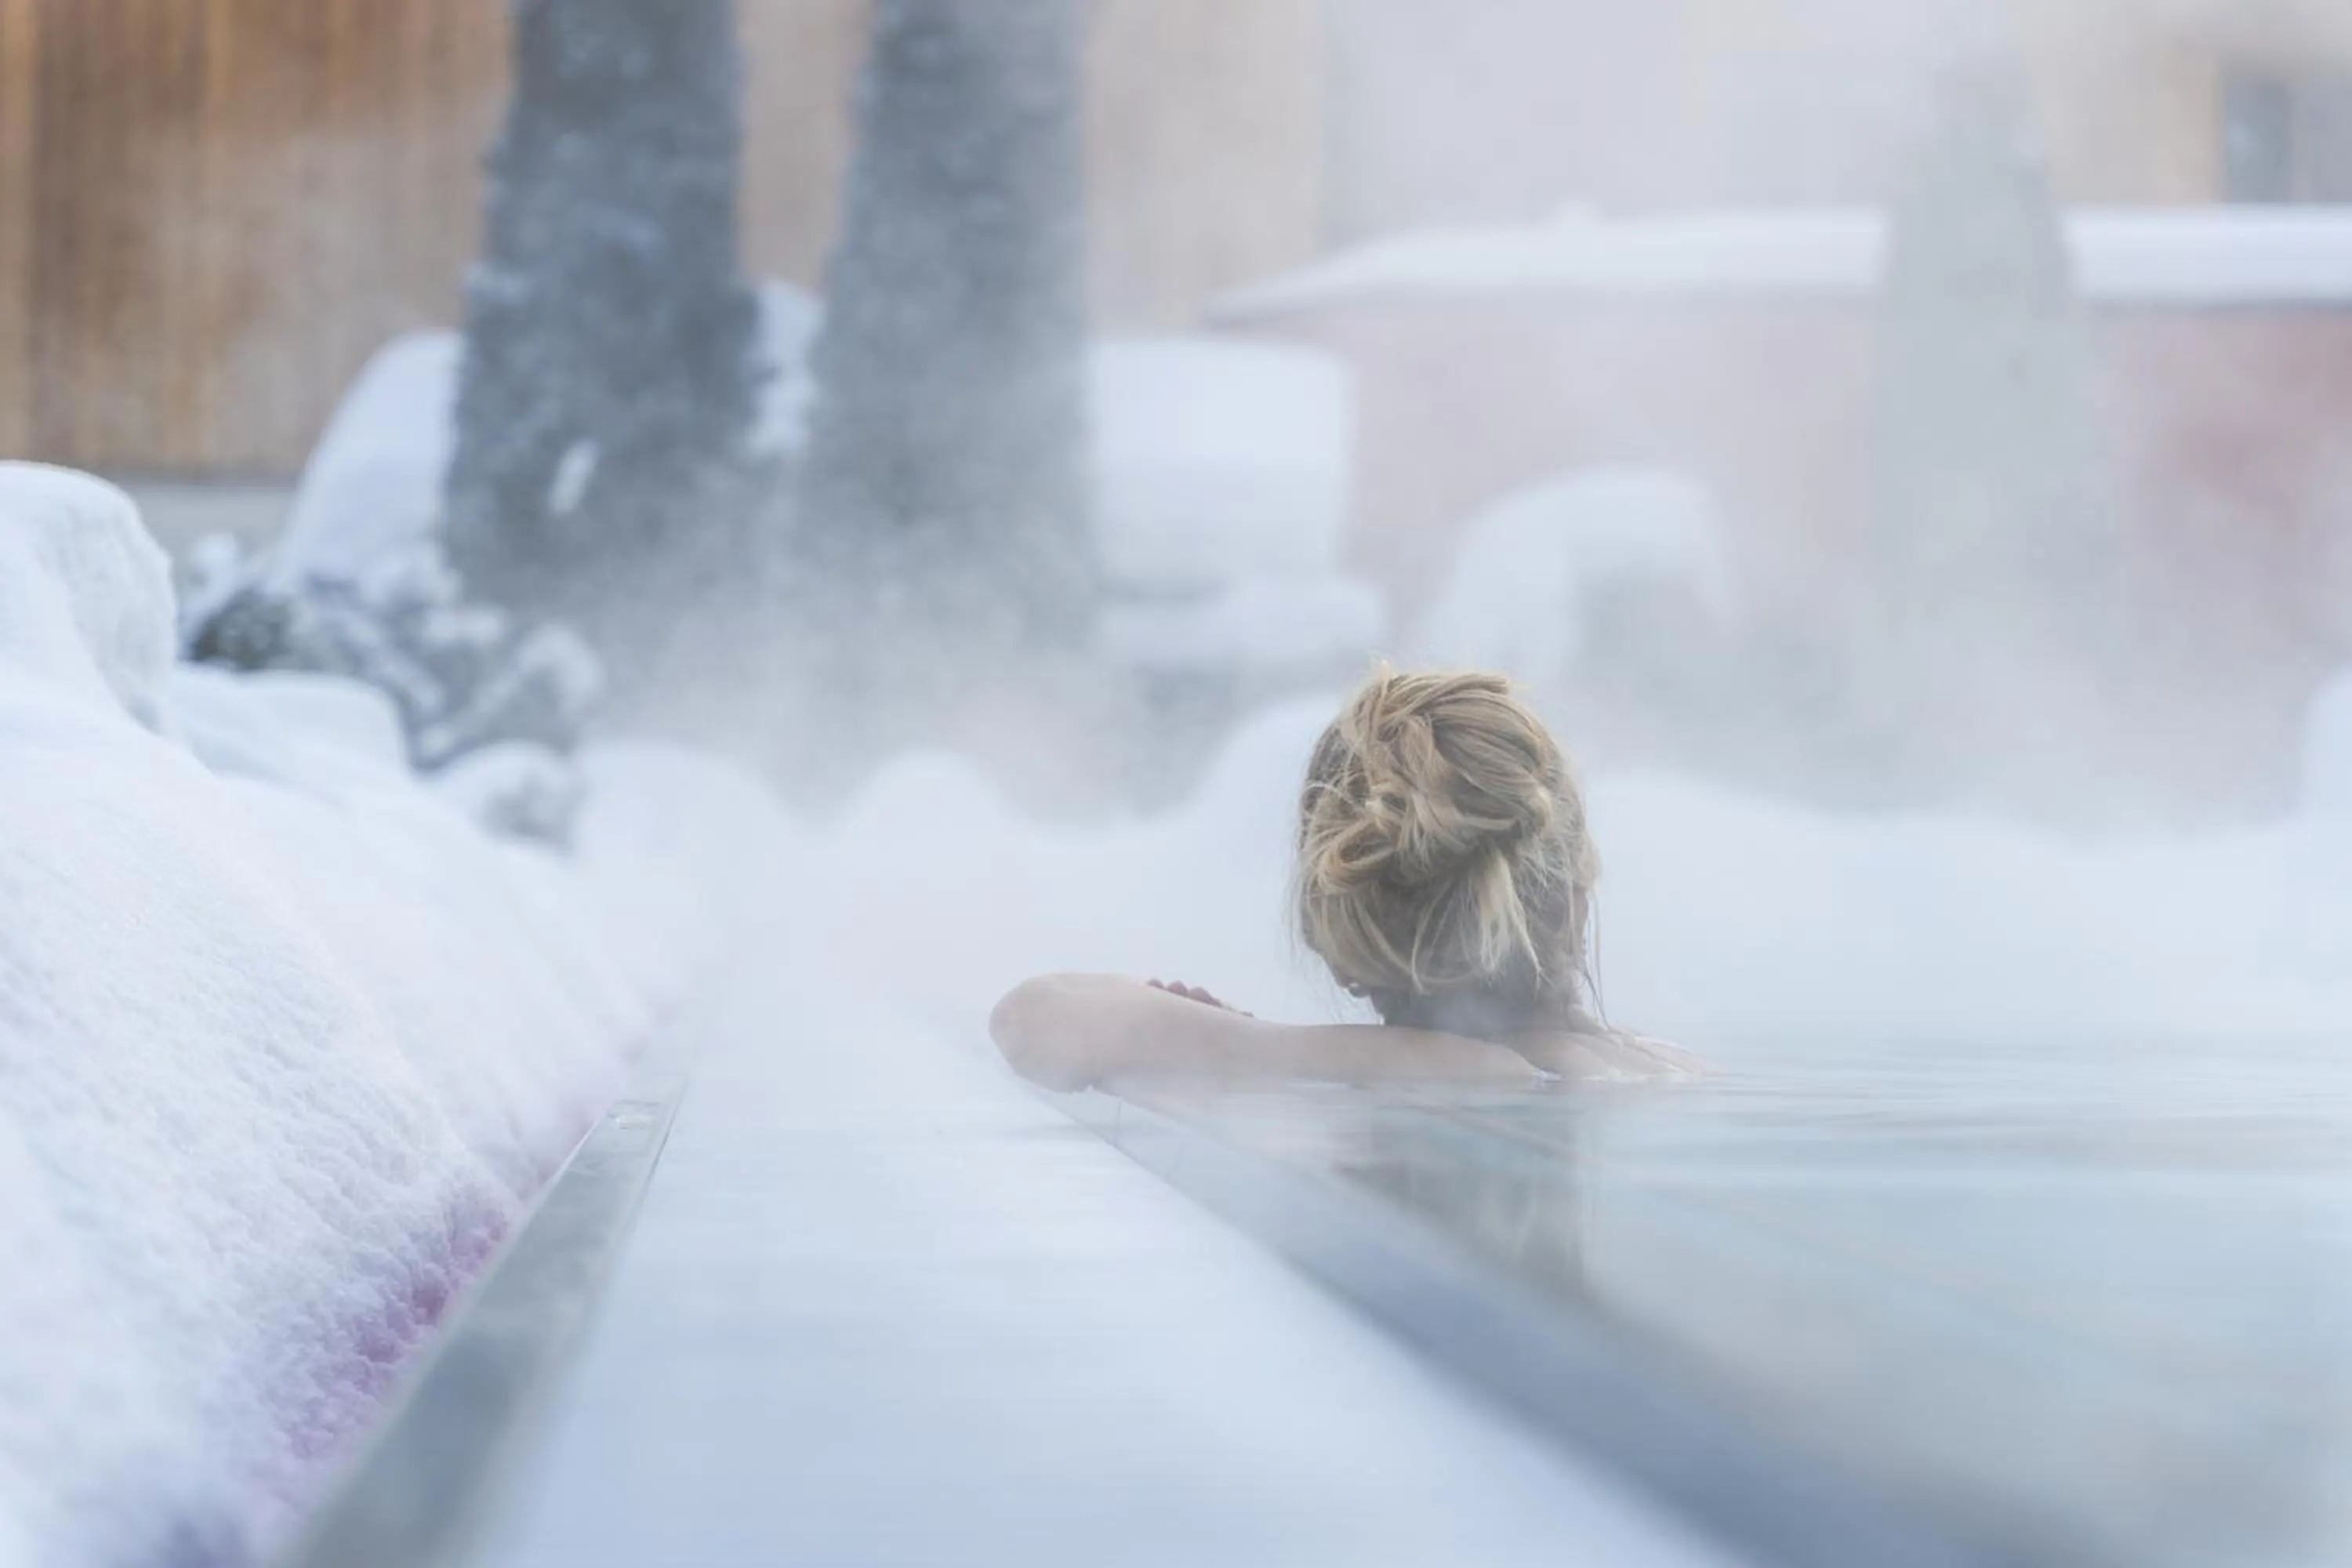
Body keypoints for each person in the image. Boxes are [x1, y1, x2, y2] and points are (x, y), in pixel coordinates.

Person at [991, 668, 1692, 1090]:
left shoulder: (1464, 1070)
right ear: (1574, 904)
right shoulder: (1659, 1068)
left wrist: (1246, 1047)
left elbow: (1035, 1020)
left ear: (1338, 949)